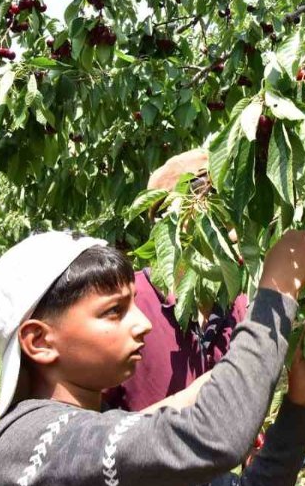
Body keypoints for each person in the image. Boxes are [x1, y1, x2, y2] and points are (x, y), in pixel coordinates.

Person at [0, 228, 305, 485]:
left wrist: (299, 403)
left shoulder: (104, 449)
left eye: (134, 304)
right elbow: (216, 436)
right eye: (113, 311)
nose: (142, 324)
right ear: (40, 342)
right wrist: (279, 286)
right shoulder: (29, 446)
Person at [102, 148, 251, 414]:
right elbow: (90, 432)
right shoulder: (126, 306)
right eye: (217, 222)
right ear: (178, 221)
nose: (234, 236)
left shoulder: (236, 303)